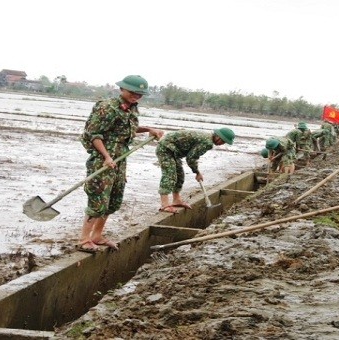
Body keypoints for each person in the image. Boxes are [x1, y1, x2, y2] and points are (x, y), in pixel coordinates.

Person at [79, 75, 164, 253]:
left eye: (140, 94)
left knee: (113, 199)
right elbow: (94, 134)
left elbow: (129, 129)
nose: (136, 96)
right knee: (98, 199)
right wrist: (106, 157)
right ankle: (84, 240)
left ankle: (97, 235)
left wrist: (149, 129)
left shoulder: (131, 109)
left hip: (120, 159)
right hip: (102, 160)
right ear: (122, 89)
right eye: (133, 92)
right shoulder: (107, 107)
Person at [156, 128, 235, 213]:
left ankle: (176, 200)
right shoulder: (207, 142)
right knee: (170, 175)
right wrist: (197, 172)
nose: (221, 144)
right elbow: (191, 158)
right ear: (218, 137)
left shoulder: (207, 137)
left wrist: (196, 172)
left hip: (173, 150)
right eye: (223, 141)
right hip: (166, 149)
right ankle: (165, 205)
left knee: (180, 175)